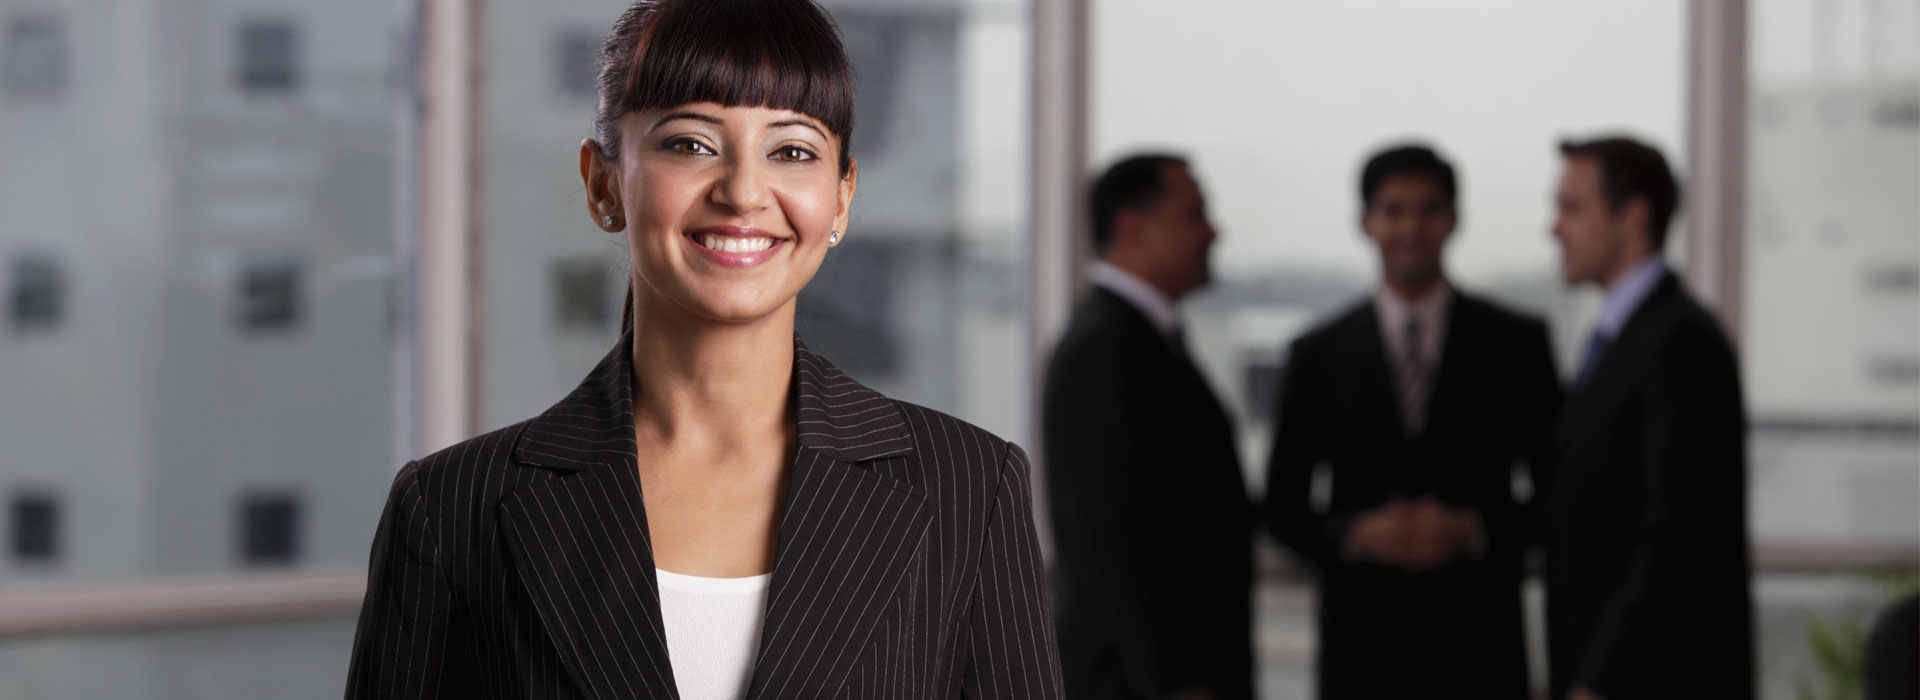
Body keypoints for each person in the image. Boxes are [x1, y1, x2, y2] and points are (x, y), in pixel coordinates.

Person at [344, 1, 1065, 698]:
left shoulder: (970, 490)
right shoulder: (449, 512)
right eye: (690, 144)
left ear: (842, 197)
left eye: (792, 151)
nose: (745, 191)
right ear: (604, 184)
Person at [1262, 144, 1561, 699]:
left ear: (1453, 222)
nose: (1411, 227)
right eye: (1393, 210)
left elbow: (1561, 495)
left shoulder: (1518, 344)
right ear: (1365, 223)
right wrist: (1352, 534)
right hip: (1362, 654)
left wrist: (1473, 531)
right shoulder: (1315, 355)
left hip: (1481, 650)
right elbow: (1280, 507)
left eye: (1428, 210)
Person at [1544, 136, 1753, 700]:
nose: (1554, 229)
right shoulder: (1626, 337)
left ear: (1632, 216)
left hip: (1650, 680)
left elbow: (1675, 537)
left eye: (1572, 209)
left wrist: (1599, 680)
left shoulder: (1679, 341)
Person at [1043, 154, 1253, 700]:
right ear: (1134, 228)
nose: (1213, 232)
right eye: (1194, 214)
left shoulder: (1139, 337)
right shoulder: (1105, 348)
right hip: (1139, 682)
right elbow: (1112, 540)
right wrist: (1175, 680)